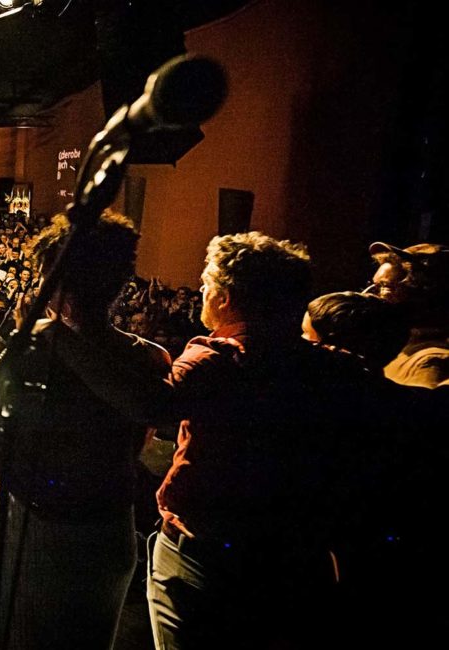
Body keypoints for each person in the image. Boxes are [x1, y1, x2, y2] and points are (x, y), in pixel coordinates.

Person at [49, 232, 402, 648]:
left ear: (227, 298)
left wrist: (62, 339)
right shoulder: (334, 367)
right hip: (291, 559)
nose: (200, 290)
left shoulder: (217, 359)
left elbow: (151, 405)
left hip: (205, 556)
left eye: (207, 283)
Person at [0, 211, 170, 650]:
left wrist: (52, 338)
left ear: (59, 286)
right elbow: (147, 421)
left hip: (30, 520)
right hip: (109, 528)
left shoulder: (35, 346)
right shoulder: (149, 360)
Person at [367, 242, 449, 387]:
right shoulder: (394, 348)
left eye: (386, 286)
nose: (369, 294)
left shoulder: (430, 362)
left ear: (424, 294)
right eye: (375, 286)